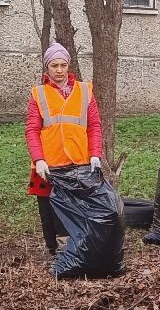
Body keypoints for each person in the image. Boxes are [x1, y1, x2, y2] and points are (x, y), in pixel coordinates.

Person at [26, 43, 103, 254]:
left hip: (78, 162)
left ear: (68, 66)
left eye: (63, 65)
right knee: (49, 209)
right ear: (47, 68)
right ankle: (55, 250)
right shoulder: (38, 94)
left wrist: (95, 154)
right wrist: (39, 159)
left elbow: (94, 125)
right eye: (54, 66)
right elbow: (32, 130)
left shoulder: (84, 91)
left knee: (76, 207)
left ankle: (74, 249)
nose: (59, 70)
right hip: (49, 164)